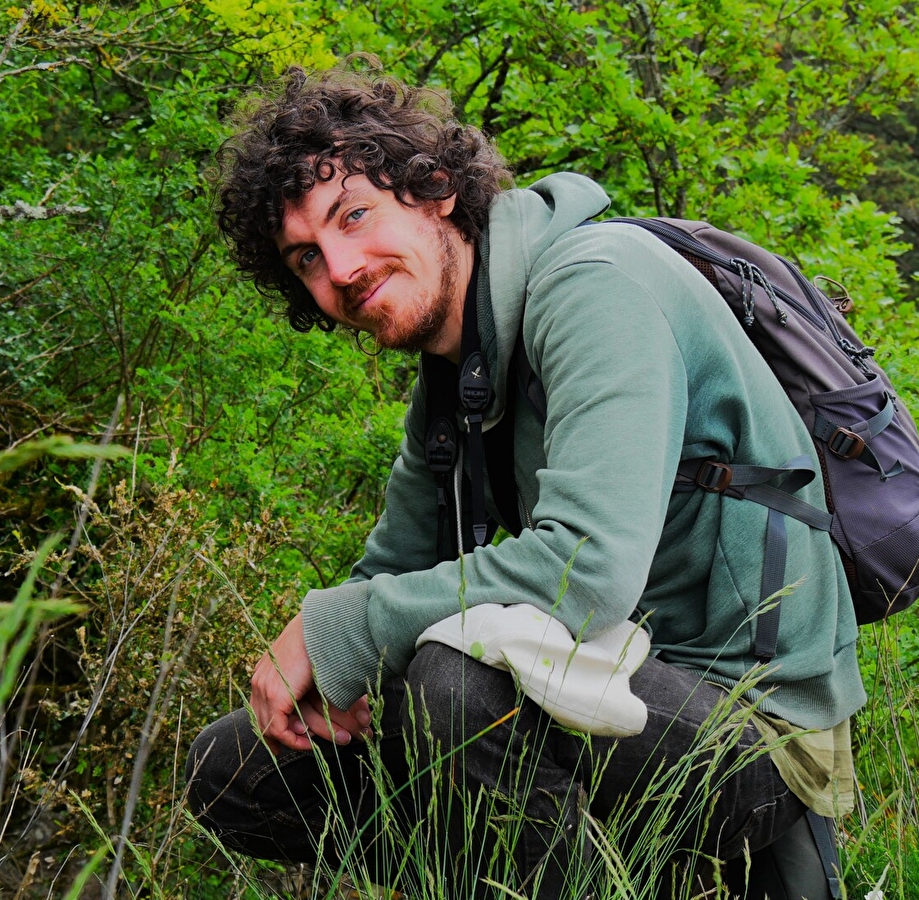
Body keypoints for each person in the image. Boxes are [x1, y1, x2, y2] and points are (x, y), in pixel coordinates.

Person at [185, 63, 864, 897]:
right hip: (600, 705)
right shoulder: (456, 379)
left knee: (457, 681)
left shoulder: (593, 286)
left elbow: (586, 571)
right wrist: (338, 661)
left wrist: (345, 628)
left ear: (434, 191)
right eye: (307, 259)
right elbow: (391, 570)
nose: (343, 267)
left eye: (354, 216)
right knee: (236, 772)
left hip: (756, 734)